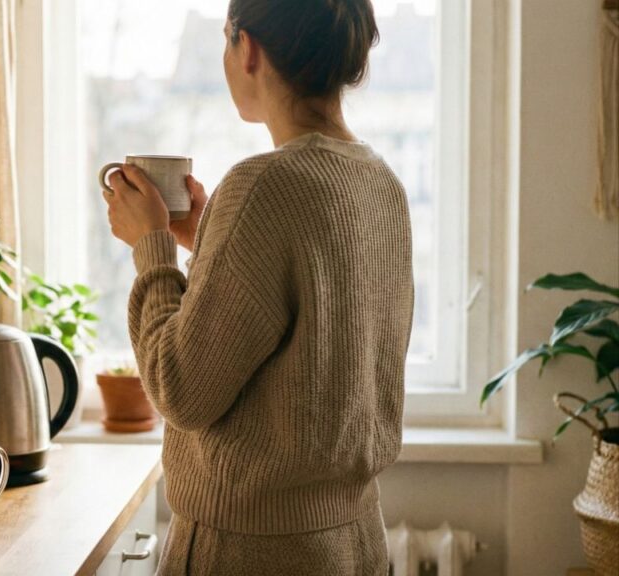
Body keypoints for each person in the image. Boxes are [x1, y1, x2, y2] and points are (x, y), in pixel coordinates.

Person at [101, 0, 413, 574]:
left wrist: (153, 249)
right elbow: (313, 310)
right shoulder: (381, 185)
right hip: (358, 546)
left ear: (247, 49)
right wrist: (207, 238)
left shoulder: (262, 184)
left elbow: (181, 390)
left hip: (253, 552)